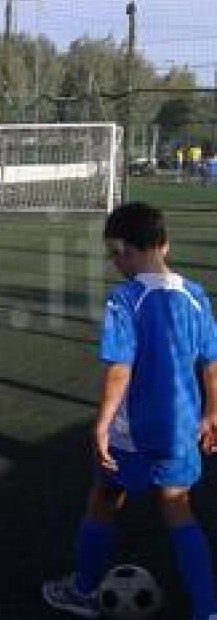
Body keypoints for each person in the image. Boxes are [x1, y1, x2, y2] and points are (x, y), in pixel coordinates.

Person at [42, 202, 217, 620]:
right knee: (178, 506)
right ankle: (208, 611)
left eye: (113, 253)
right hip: (181, 427)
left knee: (105, 496)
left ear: (122, 249)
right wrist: (212, 412)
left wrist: (103, 422)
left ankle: (84, 591)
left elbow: (120, 368)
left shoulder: (126, 299)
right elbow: (212, 361)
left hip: (132, 430)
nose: (114, 263)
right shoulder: (195, 295)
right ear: (165, 244)